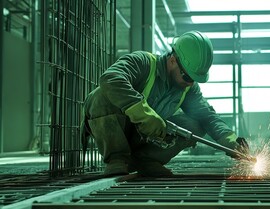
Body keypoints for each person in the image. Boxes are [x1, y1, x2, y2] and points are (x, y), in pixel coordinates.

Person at [81, 31, 250, 177]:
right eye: (187, 77)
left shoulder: (187, 88)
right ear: (172, 61)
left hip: (143, 139)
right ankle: (117, 159)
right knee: (102, 95)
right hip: (116, 133)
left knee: (196, 124)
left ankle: (145, 161)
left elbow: (207, 117)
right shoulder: (143, 63)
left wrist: (230, 140)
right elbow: (110, 78)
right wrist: (144, 114)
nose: (190, 83)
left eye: (194, 79)